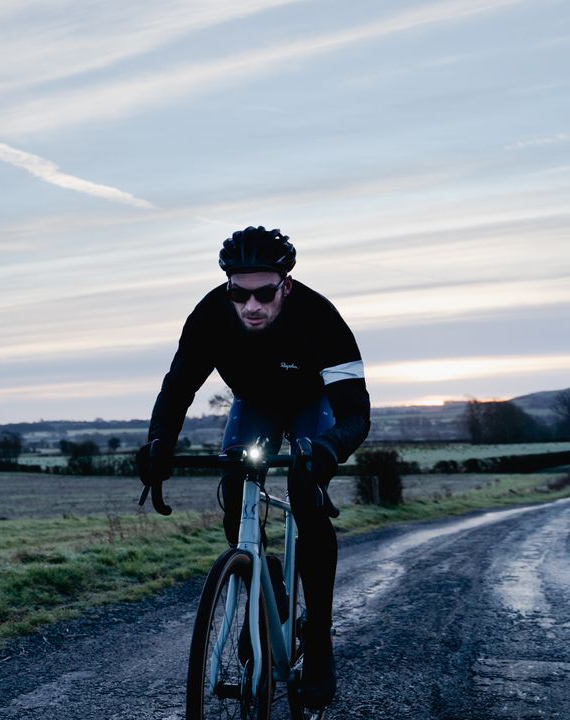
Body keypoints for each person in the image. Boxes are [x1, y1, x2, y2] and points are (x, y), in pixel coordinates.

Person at [136, 225, 371, 708]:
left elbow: (356, 415)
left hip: (312, 405)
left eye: (264, 293)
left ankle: (320, 638)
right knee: (234, 493)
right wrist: (158, 443)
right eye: (239, 295)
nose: (251, 307)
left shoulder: (321, 318)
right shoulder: (209, 316)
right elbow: (178, 388)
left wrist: (330, 447)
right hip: (256, 403)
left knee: (306, 495)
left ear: (286, 283)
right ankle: (264, 583)